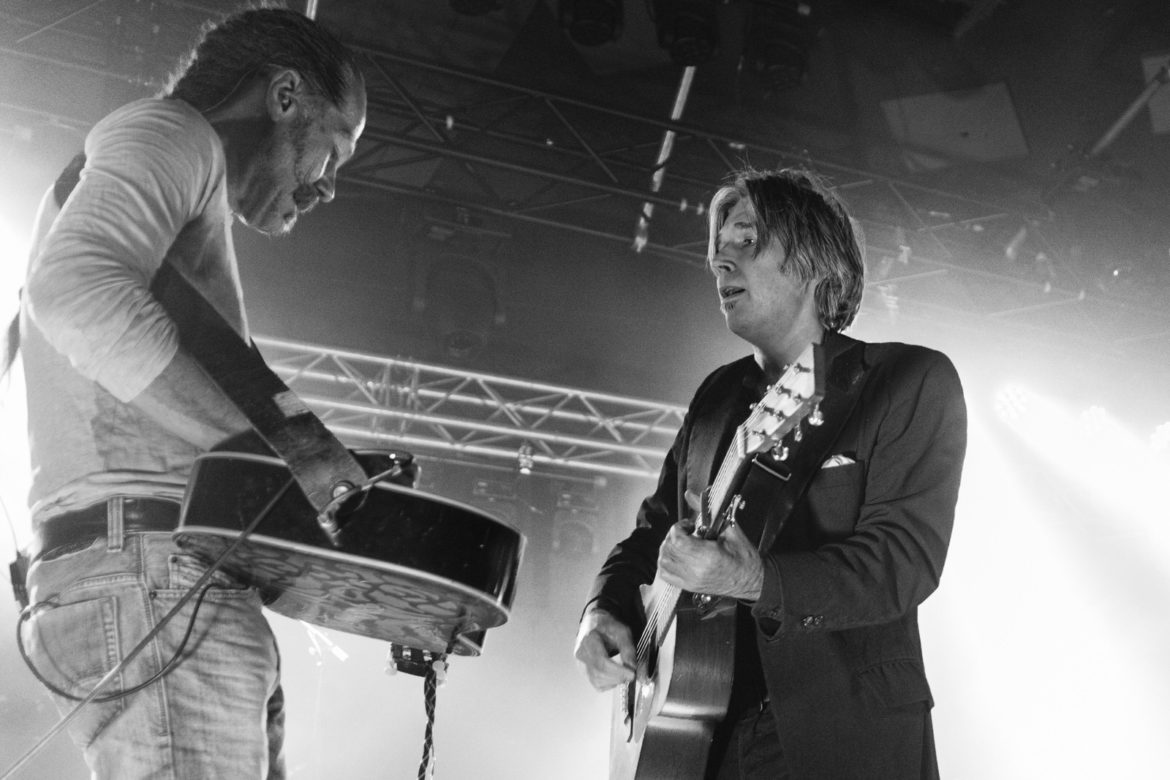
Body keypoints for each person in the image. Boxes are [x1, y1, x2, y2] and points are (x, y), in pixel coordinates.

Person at [15, 6, 366, 778]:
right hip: (150, 572)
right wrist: (262, 452)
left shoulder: (175, 178)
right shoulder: (173, 135)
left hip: (153, 577)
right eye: (332, 151)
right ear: (284, 97)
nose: (329, 187)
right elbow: (73, 289)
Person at [574, 168, 967, 779]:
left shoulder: (905, 381)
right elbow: (653, 536)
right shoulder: (717, 396)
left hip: (840, 732)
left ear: (813, 260)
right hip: (699, 730)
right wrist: (600, 613)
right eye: (717, 250)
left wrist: (757, 579)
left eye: (746, 242)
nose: (720, 264)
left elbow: (902, 563)